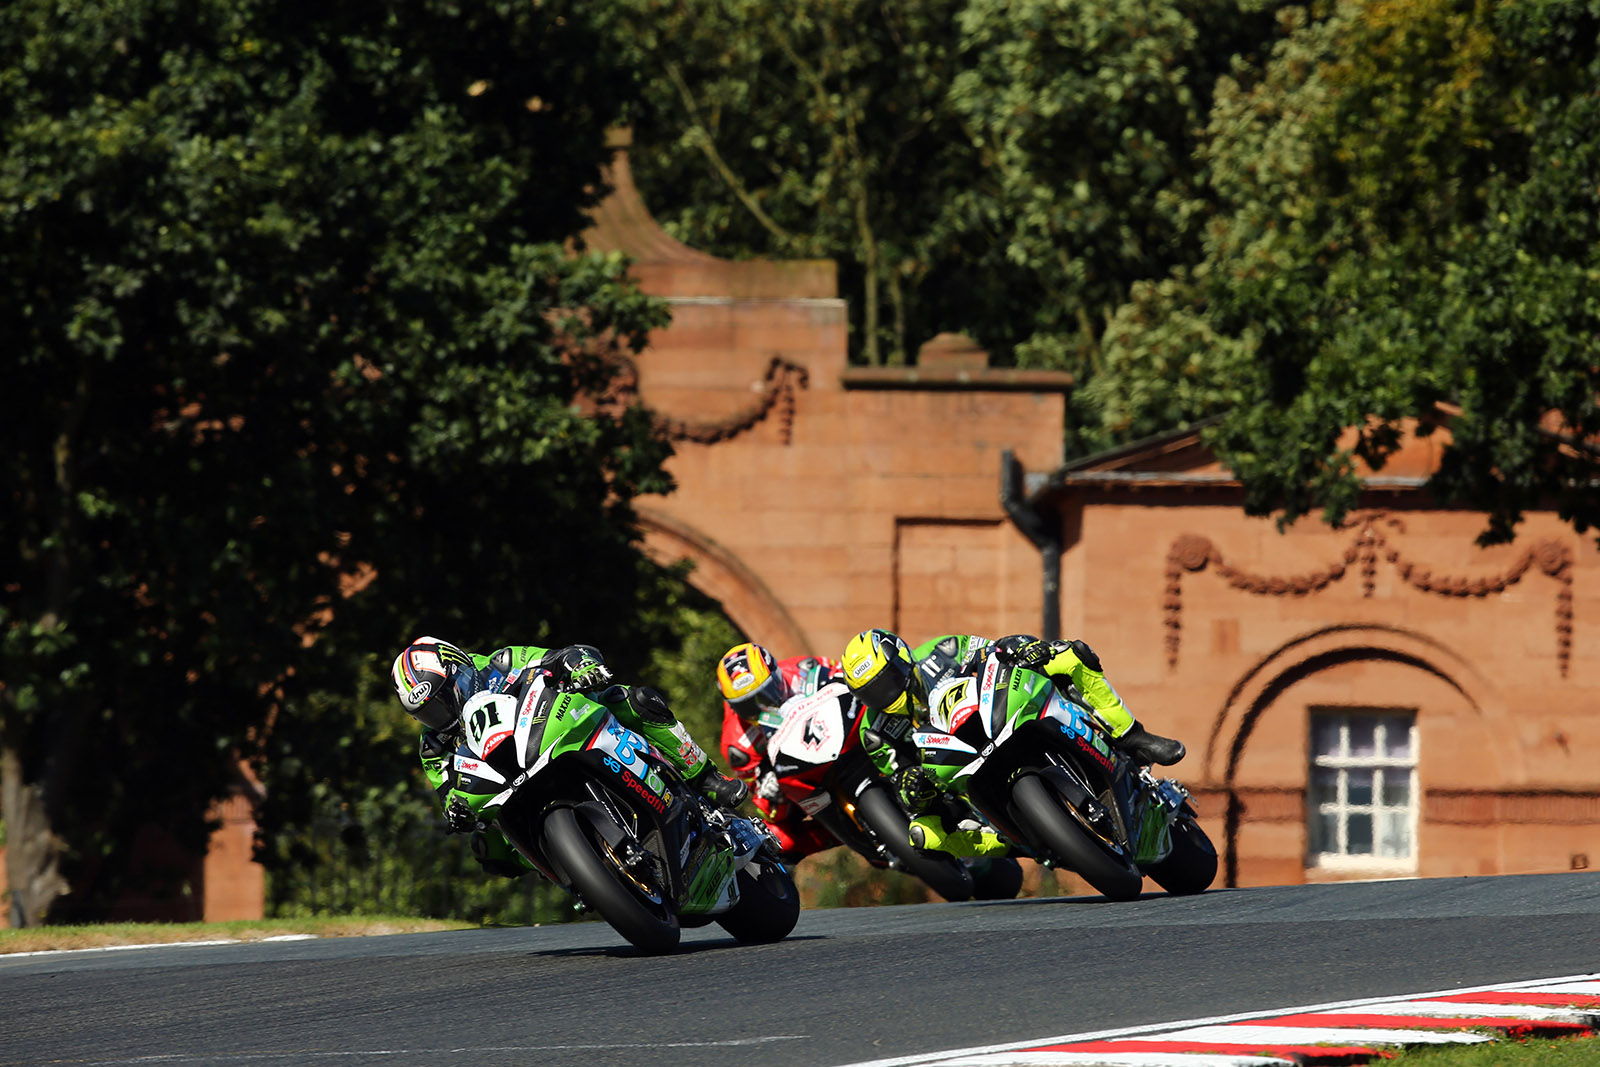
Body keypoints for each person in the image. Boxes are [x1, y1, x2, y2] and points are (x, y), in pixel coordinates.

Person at [391, 636, 748, 878]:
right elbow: (447, 792)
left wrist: (580, 665)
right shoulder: (433, 746)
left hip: (549, 733)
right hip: (503, 782)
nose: (439, 714)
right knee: (486, 848)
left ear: (458, 669)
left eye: (441, 699)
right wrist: (456, 809)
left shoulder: (501, 663)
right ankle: (576, 870)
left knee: (630, 699)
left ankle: (704, 778)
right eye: (427, 712)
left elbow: (560, 657)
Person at [839, 628, 1185, 857]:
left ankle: (1131, 735)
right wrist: (911, 785)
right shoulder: (875, 732)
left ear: (903, 661)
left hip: (994, 717)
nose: (885, 696)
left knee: (1069, 654)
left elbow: (995, 650)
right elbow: (899, 780)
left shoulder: (941, 651)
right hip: (957, 773)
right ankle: (1015, 843)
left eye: (887, 682)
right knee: (921, 835)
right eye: (872, 694)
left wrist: (1025, 647)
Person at [715, 642, 841, 863]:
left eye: (766, 695)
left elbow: (851, 686)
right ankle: (842, 834)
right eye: (748, 706)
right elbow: (768, 810)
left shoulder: (806, 670)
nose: (761, 708)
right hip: (803, 780)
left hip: (841, 741)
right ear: (732, 706)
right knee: (776, 838)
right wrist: (770, 793)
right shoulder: (738, 745)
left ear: (777, 675)